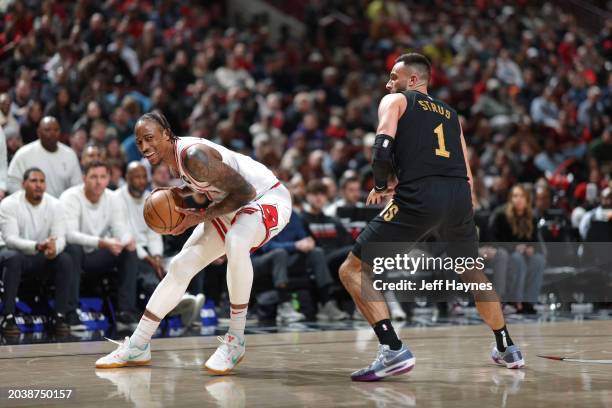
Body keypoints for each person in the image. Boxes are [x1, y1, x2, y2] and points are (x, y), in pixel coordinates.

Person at [338, 53, 524, 382]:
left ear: (412, 80)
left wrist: (381, 185)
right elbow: (466, 170)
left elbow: (381, 146)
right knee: (473, 274)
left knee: (353, 268)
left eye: (393, 77)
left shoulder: (395, 100)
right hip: (458, 197)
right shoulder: (452, 115)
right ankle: (507, 346)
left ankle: (392, 349)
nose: (387, 83)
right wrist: (466, 208)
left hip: (422, 195)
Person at [95, 111, 292, 375]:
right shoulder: (176, 162)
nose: (144, 147)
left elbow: (246, 192)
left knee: (235, 241)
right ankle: (139, 344)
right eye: (139, 142)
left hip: (267, 198)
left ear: (167, 134)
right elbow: (216, 185)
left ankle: (235, 340)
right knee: (180, 265)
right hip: (234, 204)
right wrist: (186, 194)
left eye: (150, 138)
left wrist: (197, 217)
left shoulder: (192, 155)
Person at [112, 162, 203, 326]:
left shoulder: (151, 197)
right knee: (148, 274)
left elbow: (154, 233)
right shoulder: (116, 198)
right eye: (136, 177)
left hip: (150, 251)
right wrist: (148, 258)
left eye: (142, 177)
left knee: (181, 262)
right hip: (128, 250)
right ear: (127, 178)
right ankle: (177, 303)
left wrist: (157, 256)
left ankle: (184, 304)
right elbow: (122, 233)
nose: (140, 181)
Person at [61, 161, 140, 330]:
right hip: (75, 255)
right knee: (72, 250)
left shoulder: (113, 198)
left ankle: (125, 314)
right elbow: (69, 234)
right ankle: (70, 313)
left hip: (98, 254)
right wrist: (102, 242)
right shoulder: (70, 197)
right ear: (84, 178)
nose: (98, 182)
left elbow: (121, 228)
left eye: (103, 177)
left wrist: (126, 240)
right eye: (93, 177)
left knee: (130, 251)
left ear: (108, 179)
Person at [0, 168, 76, 335]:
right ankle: (8, 316)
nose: (38, 185)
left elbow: (61, 237)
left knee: (65, 259)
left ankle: (59, 316)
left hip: (41, 255)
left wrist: (54, 248)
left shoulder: (55, 205)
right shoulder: (9, 204)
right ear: (23, 184)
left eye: (42, 181)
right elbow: (10, 239)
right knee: (13, 257)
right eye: (34, 181)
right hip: (13, 253)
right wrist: (36, 245)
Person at [489, 185, 546, 313]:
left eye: (521, 196)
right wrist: (515, 248)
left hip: (525, 255)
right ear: (510, 199)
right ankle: (516, 301)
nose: (518, 199)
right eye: (515, 196)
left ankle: (529, 302)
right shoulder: (501, 216)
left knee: (539, 260)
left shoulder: (532, 217)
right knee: (517, 258)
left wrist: (532, 249)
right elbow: (495, 241)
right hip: (506, 254)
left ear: (527, 199)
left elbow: (536, 242)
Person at [7, 116, 82, 198]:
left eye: (56, 130)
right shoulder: (24, 153)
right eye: (47, 130)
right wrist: (26, 201)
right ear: (39, 132)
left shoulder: (69, 154)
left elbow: (77, 186)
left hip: (61, 206)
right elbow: (12, 182)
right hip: (31, 205)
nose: (52, 134)